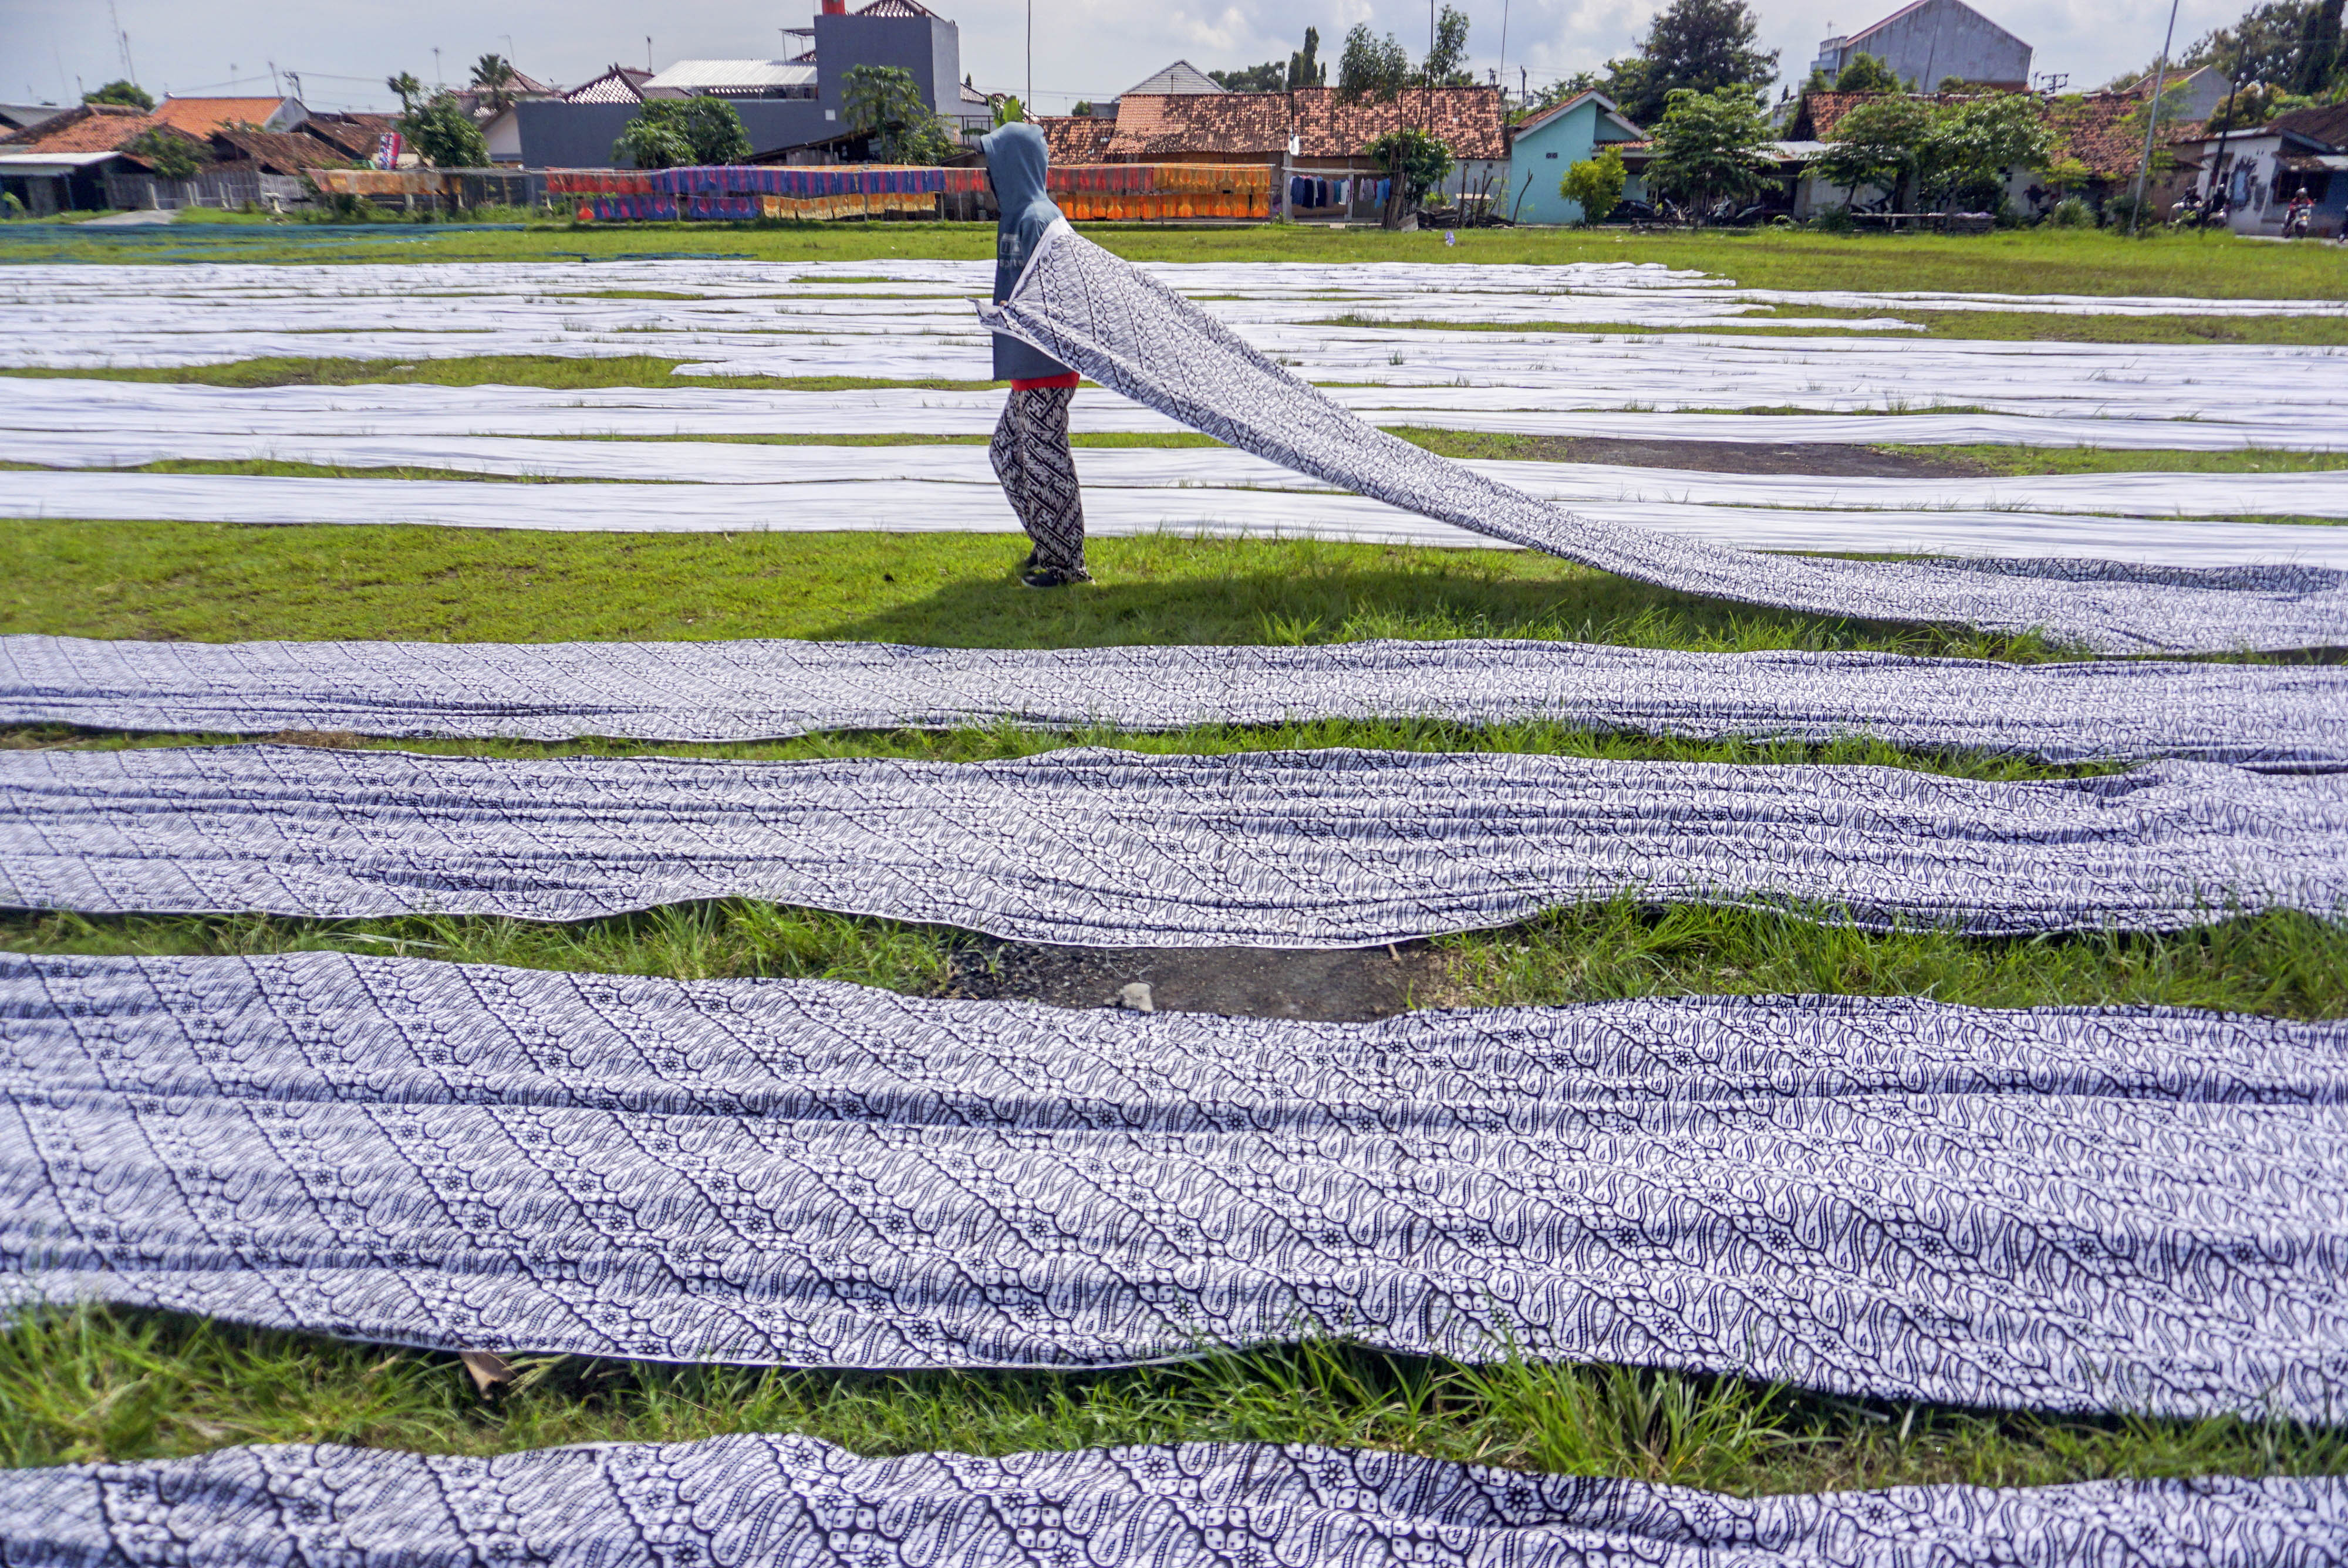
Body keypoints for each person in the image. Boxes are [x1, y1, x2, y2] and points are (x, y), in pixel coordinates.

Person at [980, 121, 1089, 589]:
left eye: (993, 166)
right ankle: (1049, 541)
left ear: (1014, 167)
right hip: (1030, 367)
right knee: (1008, 453)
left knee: (1046, 463)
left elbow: (1060, 295)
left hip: (1045, 367)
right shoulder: (1021, 217)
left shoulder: (1038, 220)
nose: (988, 178)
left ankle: (1066, 567)